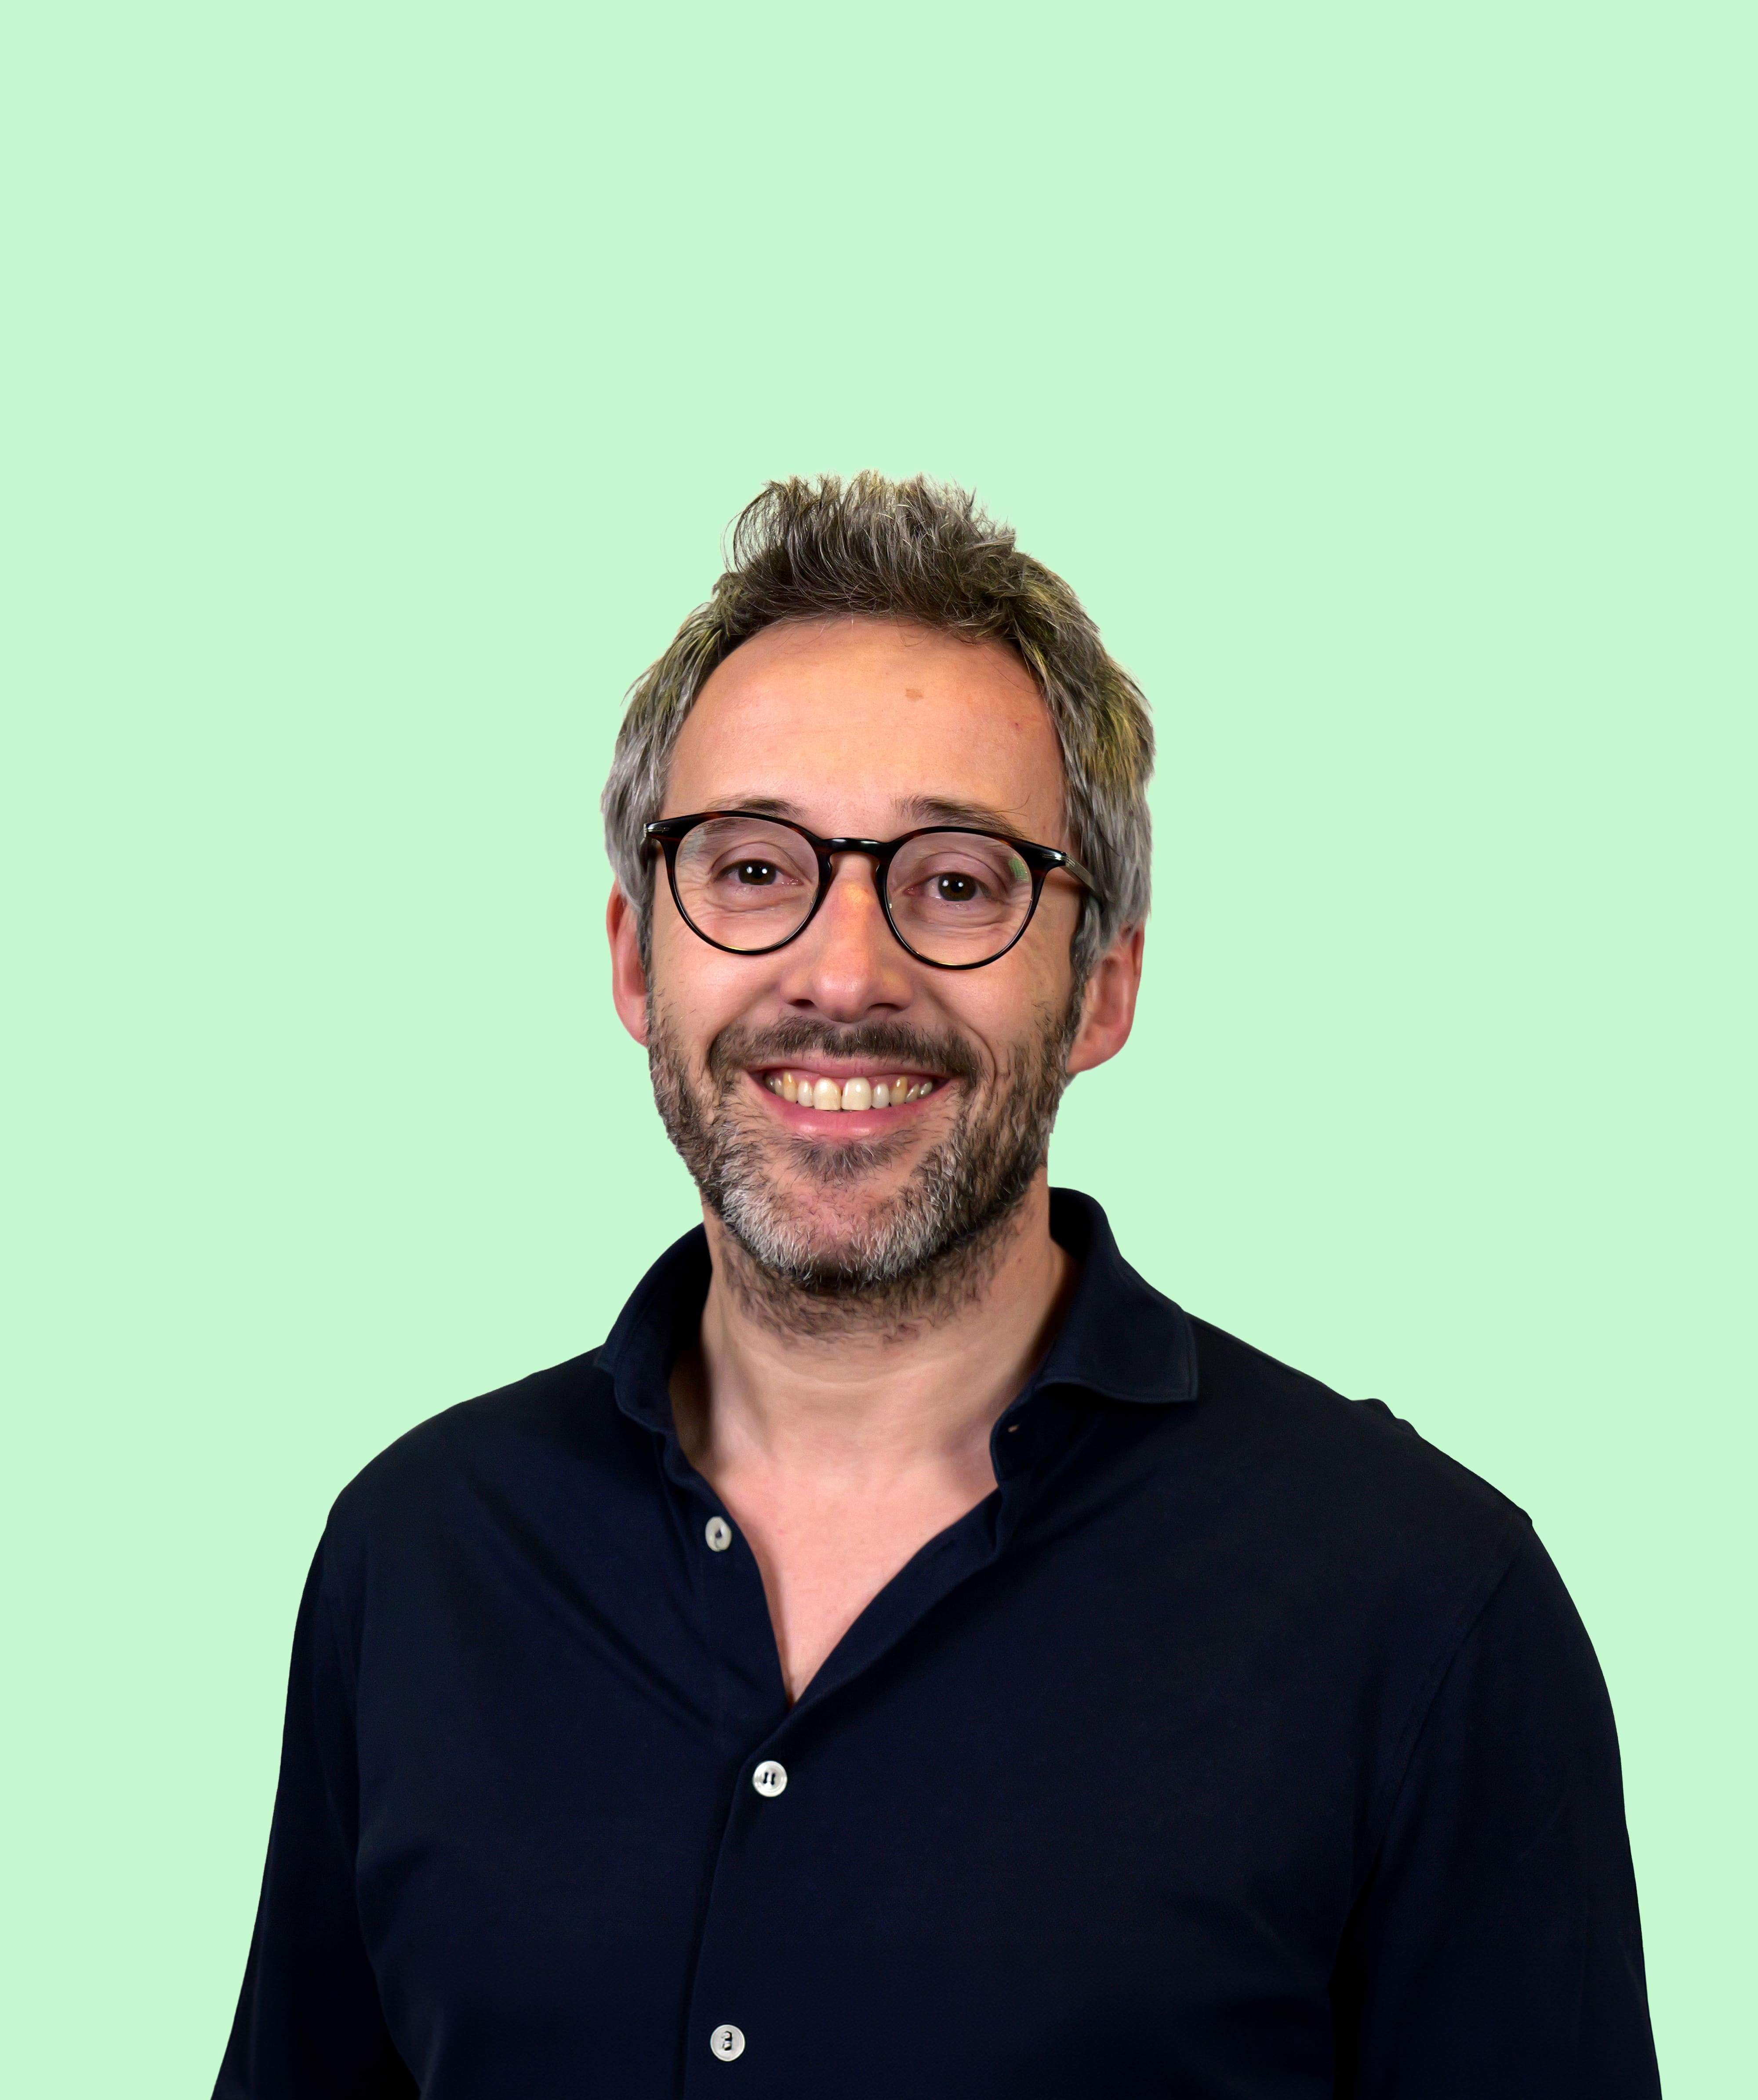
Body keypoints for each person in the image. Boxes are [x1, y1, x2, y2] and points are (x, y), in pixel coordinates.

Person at [215, 475, 1660, 2098]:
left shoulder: (1423, 1608)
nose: (844, 972)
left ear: (1102, 985)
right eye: (752, 869)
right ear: (634, 956)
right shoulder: (419, 1556)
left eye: (958, 881)